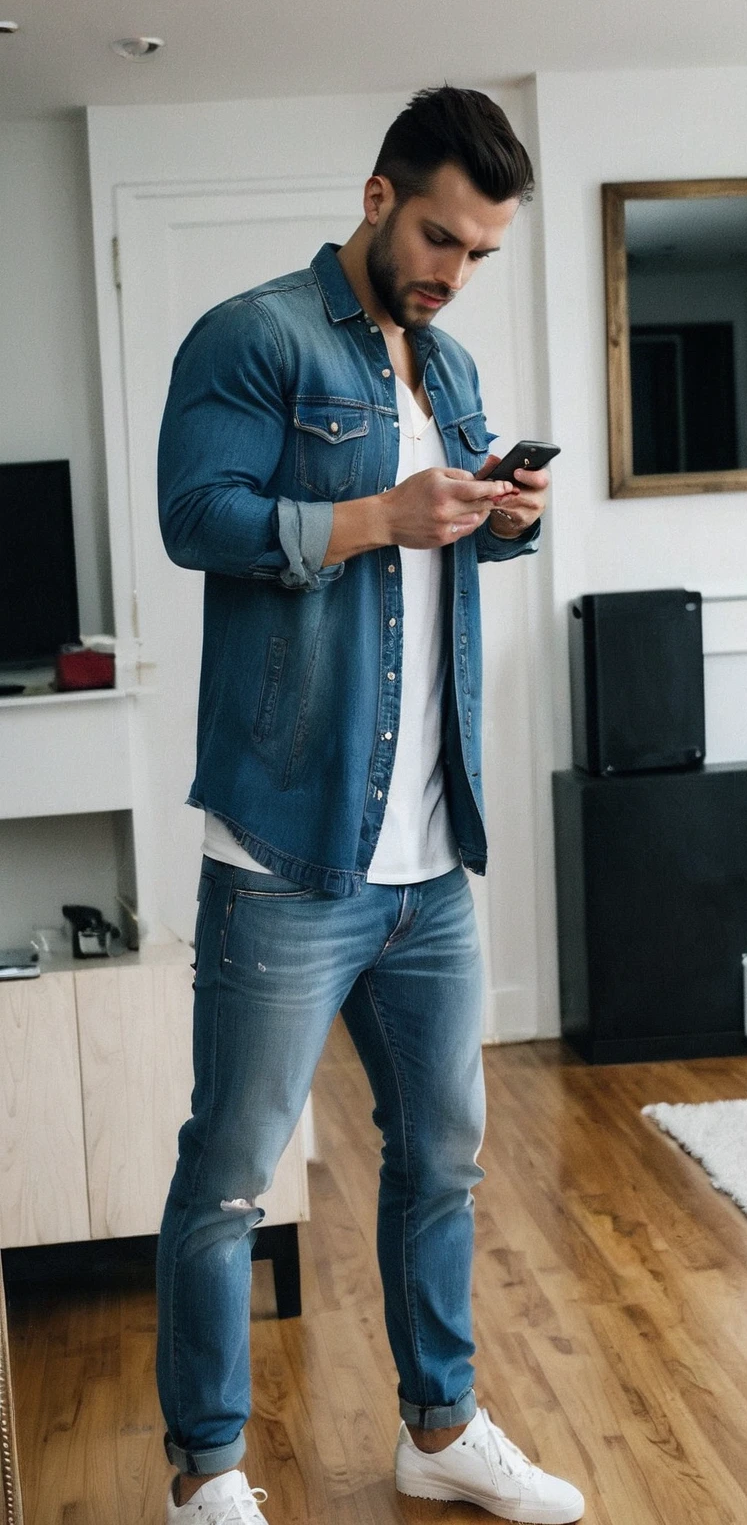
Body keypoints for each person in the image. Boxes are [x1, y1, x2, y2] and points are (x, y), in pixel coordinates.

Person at [156, 85, 585, 1525]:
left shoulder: (450, 372)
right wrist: (374, 519)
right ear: (378, 192)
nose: (451, 271)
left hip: (427, 859)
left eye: (478, 252)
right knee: (230, 1176)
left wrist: (504, 521)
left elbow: (442, 563)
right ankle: (208, 1473)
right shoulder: (254, 335)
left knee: (444, 1161)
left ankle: (440, 1427)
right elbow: (196, 517)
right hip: (285, 848)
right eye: (439, 235)